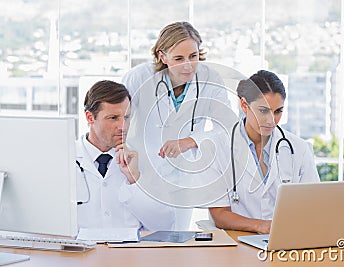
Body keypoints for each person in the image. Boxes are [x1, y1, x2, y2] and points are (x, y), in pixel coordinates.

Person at [122, 22, 234, 229]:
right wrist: (122, 149)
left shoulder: (211, 79)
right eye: (179, 58)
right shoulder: (139, 78)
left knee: (176, 244)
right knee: (138, 245)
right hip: (143, 174)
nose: (188, 65)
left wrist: (191, 141)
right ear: (162, 56)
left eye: (193, 56)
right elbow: (119, 118)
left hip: (183, 179)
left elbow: (229, 128)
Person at [208, 70, 320, 234]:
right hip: (236, 243)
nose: (271, 120)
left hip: (286, 241)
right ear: (244, 105)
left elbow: (314, 204)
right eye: (263, 111)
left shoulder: (298, 148)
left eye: (278, 111)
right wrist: (261, 225)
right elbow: (219, 214)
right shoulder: (218, 147)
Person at [76, 80, 175, 230]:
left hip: (129, 252)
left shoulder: (144, 159)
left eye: (127, 117)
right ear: (90, 117)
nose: (123, 126)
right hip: (81, 252)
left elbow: (165, 225)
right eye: (113, 118)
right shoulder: (64, 160)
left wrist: (134, 179)